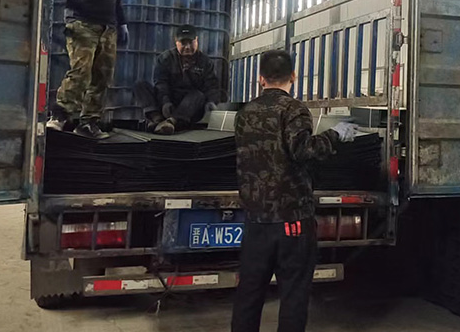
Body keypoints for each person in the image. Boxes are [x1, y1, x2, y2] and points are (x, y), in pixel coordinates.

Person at [231, 49, 358, 332]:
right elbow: (302, 150)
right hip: (292, 219)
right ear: (294, 76)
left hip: (256, 219)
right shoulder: (294, 110)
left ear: (260, 78)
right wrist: (335, 135)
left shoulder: (244, 113)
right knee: (293, 295)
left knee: (249, 294)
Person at [47, 0, 131, 140]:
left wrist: (121, 22)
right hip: (82, 22)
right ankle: (59, 116)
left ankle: (88, 123)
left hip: (108, 27)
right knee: (81, 70)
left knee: (103, 76)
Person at [133, 25, 224, 135]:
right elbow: (161, 83)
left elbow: (212, 87)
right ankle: (157, 119)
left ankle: (172, 122)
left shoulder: (206, 62)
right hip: (168, 103)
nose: (187, 47)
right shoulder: (165, 58)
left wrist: (211, 102)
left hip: (190, 107)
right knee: (140, 85)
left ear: (196, 40)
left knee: (198, 95)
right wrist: (165, 102)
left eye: (191, 42)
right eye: (183, 43)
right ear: (176, 42)